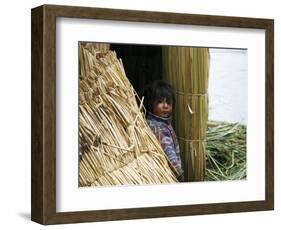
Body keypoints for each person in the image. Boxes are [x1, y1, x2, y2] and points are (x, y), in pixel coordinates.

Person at [140, 80, 184, 182]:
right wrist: (179, 173)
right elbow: (169, 154)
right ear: (151, 103)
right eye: (160, 102)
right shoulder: (160, 128)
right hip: (168, 174)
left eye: (168, 102)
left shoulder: (158, 123)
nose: (165, 106)